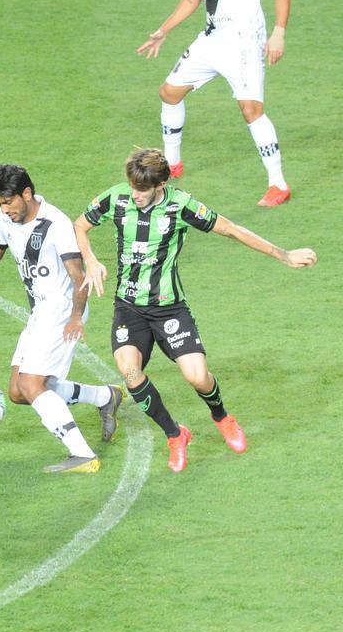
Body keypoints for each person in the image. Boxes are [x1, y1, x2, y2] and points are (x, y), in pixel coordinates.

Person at [74, 149, 315, 472]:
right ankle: (175, 435)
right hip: (129, 307)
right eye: (132, 186)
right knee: (130, 372)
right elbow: (79, 225)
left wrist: (283, 255)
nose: (136, 194)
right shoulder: (116, 199)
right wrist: (89, 258)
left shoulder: (181, 205)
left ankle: (222, 417)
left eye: (142, 189)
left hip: (169, 308)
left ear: (160, 184)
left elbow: (231, 229)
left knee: (197, 376)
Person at [0, 164, 125, 474]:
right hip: (41, 310)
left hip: (63, 309)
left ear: (26, 193)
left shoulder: (56, 225)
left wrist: (76, 319)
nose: (5, 210)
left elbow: (78, 277)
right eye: (0, 203)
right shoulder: (5, 218)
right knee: (18, 392)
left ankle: (82, 454)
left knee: (30, 383)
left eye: (9, 202)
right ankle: (105, 396)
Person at [136, 0, 293, 207]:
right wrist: (163, 30)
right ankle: (172, 163)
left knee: (251, 109)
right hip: (211, 40)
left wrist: (279, 33)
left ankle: (278, 184)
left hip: (243, 43)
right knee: (169, 92)